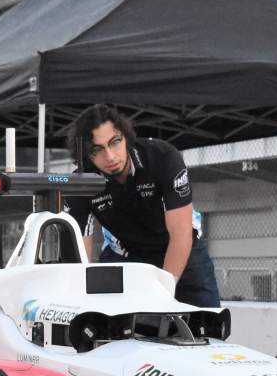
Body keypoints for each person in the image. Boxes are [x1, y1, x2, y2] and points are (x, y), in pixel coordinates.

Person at [64, 105, 220, 308]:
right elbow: (79, 257)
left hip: (181, 250)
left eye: (115, 142)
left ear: (126, 137)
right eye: (97, 150)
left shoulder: (163, 157)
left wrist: (161, 299)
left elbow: (181, 234)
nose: (110, 156)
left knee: (208, 329)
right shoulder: (81, 183)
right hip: (125, 255)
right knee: (108, 330)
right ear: (85, 155)